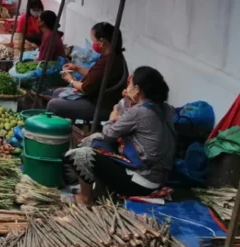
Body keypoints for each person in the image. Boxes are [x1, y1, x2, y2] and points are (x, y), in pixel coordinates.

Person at [63, 66, 176, 206]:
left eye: (130, 84)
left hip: (141, 182)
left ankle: (86, 199)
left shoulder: (140, 112)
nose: (127, 86)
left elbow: (108, 134)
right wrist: (127, 102)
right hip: (158, 178)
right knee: (94, 139)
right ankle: (95, 188)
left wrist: (112, 118)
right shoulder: (166, 108)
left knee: (80, 155)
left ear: (137, 89)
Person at [47, 22, 128, 121]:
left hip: (101, 107)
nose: (93, 44)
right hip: (98, 99)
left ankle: (58, 131)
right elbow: (96, 76)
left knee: (53, 104)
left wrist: (71, 80)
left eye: (94, 41)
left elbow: (86, 88)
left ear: (102, 41)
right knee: (57, 92)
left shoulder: (108, 62)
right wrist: (77, 68)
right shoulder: (115, 56)